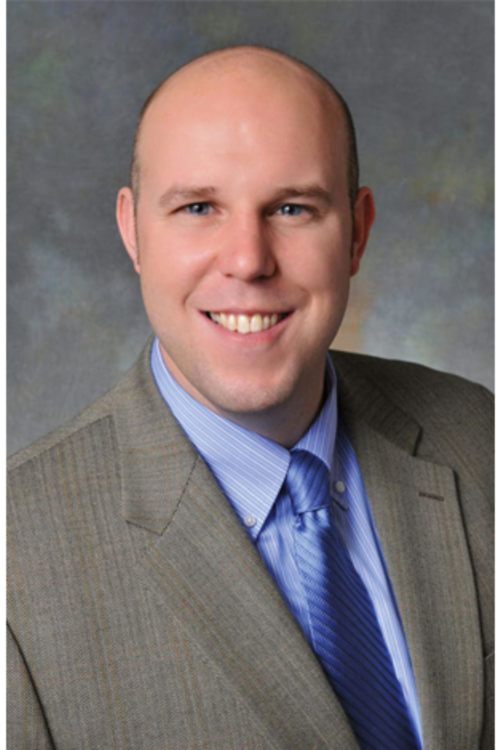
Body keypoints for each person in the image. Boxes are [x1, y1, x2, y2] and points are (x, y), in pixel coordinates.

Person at [5, 44, 495, 750]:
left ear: (357, 231)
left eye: (292, 208)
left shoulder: (476, 435)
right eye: (199, 207)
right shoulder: (19, 568)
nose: (247, 259)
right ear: (132, 229)